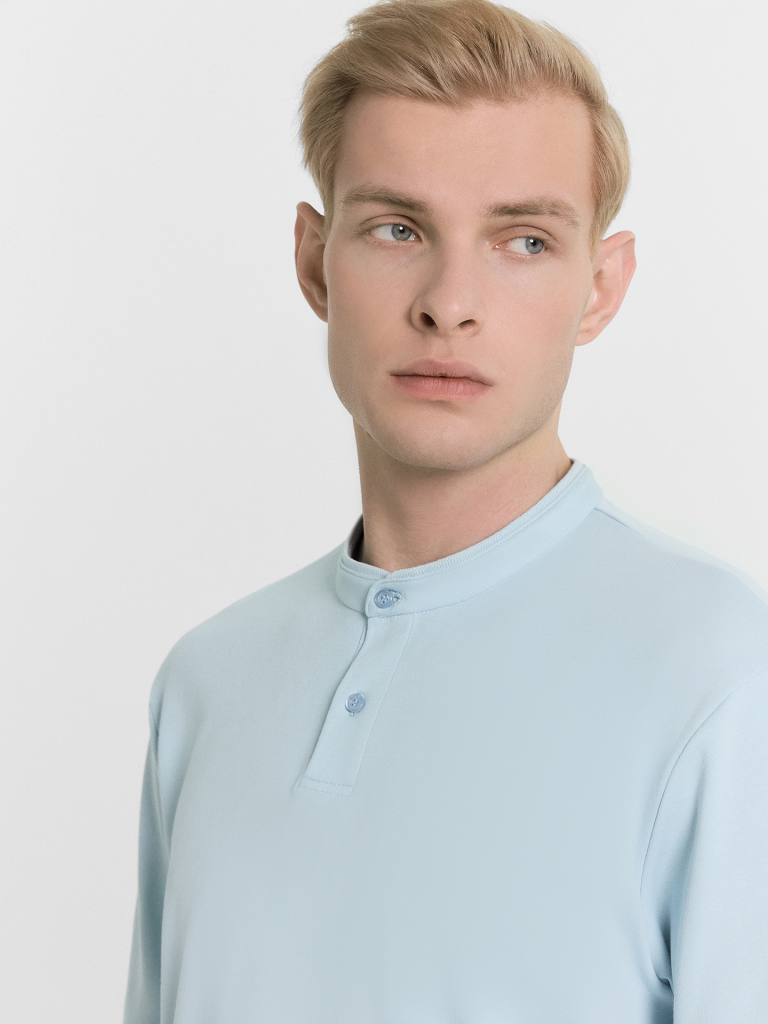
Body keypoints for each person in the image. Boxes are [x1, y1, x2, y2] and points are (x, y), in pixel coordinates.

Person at [124, 1, 768, 1021]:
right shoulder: (207, 681)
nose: (449, 301)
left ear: (601, 288)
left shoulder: (724, 673)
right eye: (397, 228)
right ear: (314, 261)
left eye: (523, 240)